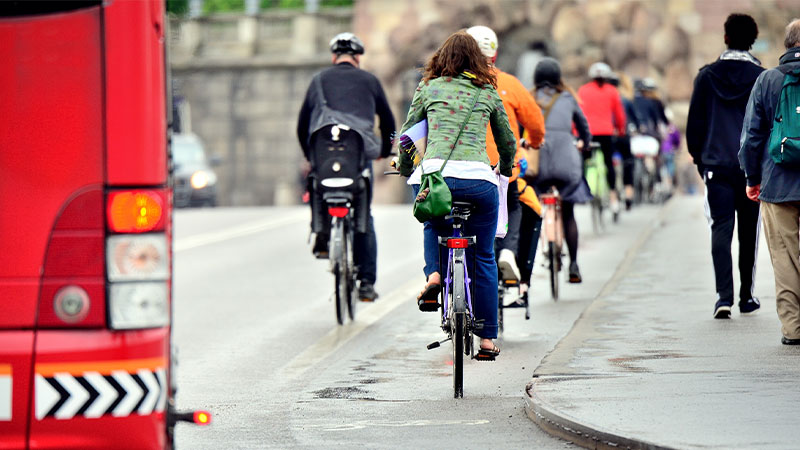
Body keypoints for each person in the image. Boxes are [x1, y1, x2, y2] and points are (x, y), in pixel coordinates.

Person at [397, 30, 516, 358]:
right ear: (478, 60)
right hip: (479, 182)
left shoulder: (428, 88)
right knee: (485, 257)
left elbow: (408, 137)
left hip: (438, 179)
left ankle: (434, 275)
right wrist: (505, 168)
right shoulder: (487, 91)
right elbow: (506, 142)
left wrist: (406, 169)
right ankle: (488, 340)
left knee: (432, 222)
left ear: (442, 58)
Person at [296, 32, 395, 302]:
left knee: (317, 185)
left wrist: (311, 156)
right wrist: (385, 151)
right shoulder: (370, 81)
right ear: (358, 57)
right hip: (358, 157)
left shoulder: (318, 81)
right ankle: (366, 283)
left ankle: (321, 234)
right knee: (365, 215)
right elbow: (389, 124)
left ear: (333, 57)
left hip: (324, 157)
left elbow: (302, 126)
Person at [687, 13, 764, 319]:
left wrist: (699, 159)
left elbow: (695, 125)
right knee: (748, 231)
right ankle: (747, 295)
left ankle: (724, 297)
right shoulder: (761, 77)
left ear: (726, 38)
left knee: (721, 227)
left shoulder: (706, 76)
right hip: (751, 167)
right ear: (752, 41)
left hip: (715, 165)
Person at [465, 25, 546, 284]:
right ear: (495, 55)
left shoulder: (453, 84)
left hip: (464, 165)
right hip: (502, 166)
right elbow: (535, 122)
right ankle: (509, 251)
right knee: (513, 202)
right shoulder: (508, 83)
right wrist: (533, 142)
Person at [739, 18, 800, 344]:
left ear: (788, 44)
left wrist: (752, 177)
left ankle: (793, 328)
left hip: (777, 184)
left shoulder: (768, 80)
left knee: (784, 256)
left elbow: (752, 136)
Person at [530, 57, 593, 283]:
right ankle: (574, 264)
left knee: (529, 207)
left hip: (539, 165)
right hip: (567, 165)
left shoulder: (529, 98)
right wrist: (585, 144)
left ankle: (525, 263)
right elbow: (584, 128)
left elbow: (517, 128)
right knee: (568, 212)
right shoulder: (568, 97)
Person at [578, 62, 628, 221]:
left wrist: (577, 132)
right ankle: (613, 198)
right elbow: (619, 115)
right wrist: (621, 130)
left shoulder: (583, 90)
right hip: (606, 133)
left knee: (584, 161)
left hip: (588, 134)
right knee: (609, 165)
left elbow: (578, 113)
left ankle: (583, 189)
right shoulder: (612, 91)